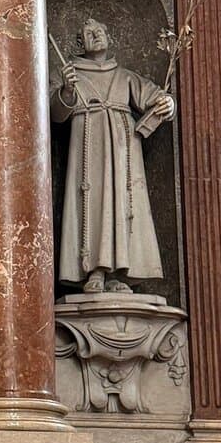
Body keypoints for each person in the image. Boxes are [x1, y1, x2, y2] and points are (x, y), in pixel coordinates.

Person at [50, 17, 174, 293]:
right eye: (89, 33)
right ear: (80, 44)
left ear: (109, 37)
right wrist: (67, 91)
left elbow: (156, 97)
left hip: (123, 152)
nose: (96, 35)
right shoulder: (70, 74)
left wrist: (168, 103)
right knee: (93, 204)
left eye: (100, 31)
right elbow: (55, 115)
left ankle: (120, 273)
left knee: (123, 204)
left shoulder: (124, 76)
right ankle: (94, 270)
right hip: (88, 151)